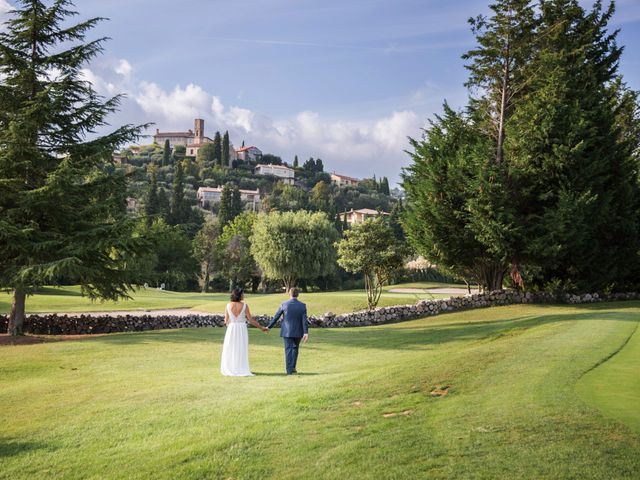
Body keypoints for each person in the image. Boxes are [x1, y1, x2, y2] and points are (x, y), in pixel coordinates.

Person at [220, 288, 267, 376]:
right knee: (241, 348)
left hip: (232, 328)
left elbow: (226, 321)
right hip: (242, 328)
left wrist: (231, 325)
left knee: (230, 348)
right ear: (239, 295)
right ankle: (240, 368)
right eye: (242, 294)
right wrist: (261, 328)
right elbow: (251, 320)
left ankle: (231, 368)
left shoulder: (228, 305)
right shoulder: (245, 306)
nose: (244, 295)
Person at [266, 287, 308, 375]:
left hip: (287, 331)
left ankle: (289, 370)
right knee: (295, 349)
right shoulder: (302, 305)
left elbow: (276, 316)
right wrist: (305, 333)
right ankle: (293, 368)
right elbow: (304, 320)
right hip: (298, 331)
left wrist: (269, 327)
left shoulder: (284, 304)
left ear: (289, 294)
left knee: (288, 349)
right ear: (298, 295)